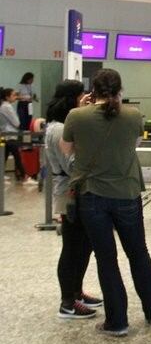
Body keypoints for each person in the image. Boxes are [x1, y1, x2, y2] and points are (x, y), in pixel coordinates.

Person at [61, 69, 151, 337]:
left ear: (92, 91)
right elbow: (132, 143)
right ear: (120, 90)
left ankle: (117, 321)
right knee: (138, 253)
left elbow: (67, 151)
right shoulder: (133, 115)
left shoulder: (76, 116)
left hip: (92, 197)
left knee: (106, 259)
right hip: (127, 194)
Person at [46, 80, 102, 319]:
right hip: (69, 193)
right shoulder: (60, 129)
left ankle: (76, 293)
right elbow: (72, 165)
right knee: (72, 248)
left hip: (75, 191)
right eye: (81, 96)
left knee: (83, 246)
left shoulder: (60, 125)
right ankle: (68, 302)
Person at [0, 87, 26, 181]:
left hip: (4, 136)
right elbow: (16, 123)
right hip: (10, 136)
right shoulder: (7, 107)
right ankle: (24, 177)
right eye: (14, 95)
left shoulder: (3, 106)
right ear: (7, 97)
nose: (16, 97)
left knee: (3, 156)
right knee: (17, 157)